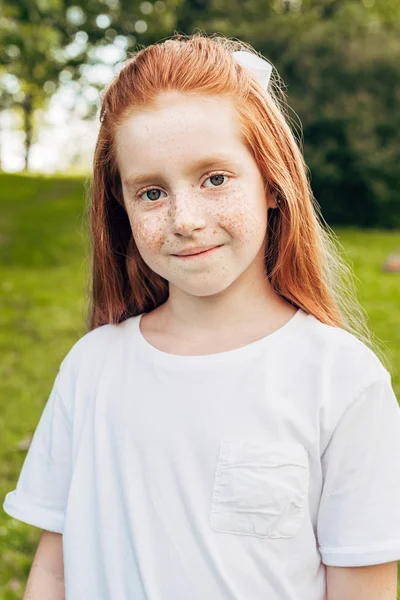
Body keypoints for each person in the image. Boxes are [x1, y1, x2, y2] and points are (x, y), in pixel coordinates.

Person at [3, 32, 400, 600]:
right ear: (121, 205)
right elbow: (54, 570)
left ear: (271, 181)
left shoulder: (341, 380)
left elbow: (363, 588)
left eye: (214, 178)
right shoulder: (92, 367)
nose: (184, 218)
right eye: (151, 192)